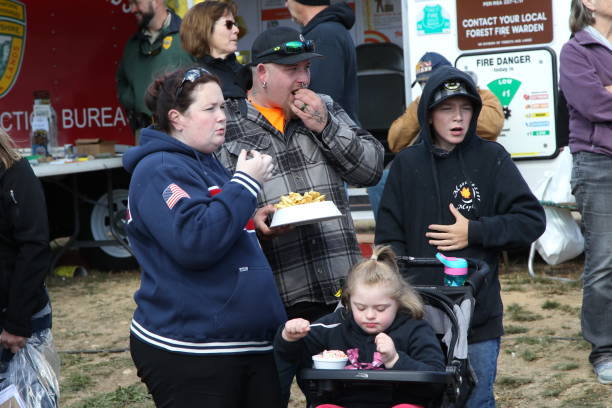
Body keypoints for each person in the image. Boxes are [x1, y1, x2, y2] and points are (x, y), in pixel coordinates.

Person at [215, 26, 384, 405]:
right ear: (261, 73)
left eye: (306, 68)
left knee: (340, 399)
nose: (303, 78)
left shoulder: (323, 107)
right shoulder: (228, 123)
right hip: (271, 298)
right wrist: (252, 220)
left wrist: (324, 125)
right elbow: (215, 206)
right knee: (264, 397)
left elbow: (371, 169)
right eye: (292, 69)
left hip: (337, 290)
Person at [375, 67, 546, 407]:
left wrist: (475, 230)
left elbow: (531, 221)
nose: (457, 118)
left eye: (465, 108)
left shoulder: (492, 158)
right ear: (428, 115)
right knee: (422, 398)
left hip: (478, 314)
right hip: (418, 316)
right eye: (446, 109)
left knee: (476, 399)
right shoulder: (405, 166)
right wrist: (401, 299)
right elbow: (388, 240)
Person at [122, 67, 287, 407]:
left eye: (223, 107)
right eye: (209, 109)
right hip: (193, 350)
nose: (222, 117)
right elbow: (195, 240)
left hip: (244, 343)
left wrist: (251, 221)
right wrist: (245, 184)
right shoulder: (159, 169)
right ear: (176, 118)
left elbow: (214, 222)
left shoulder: (206, 161)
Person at [274, 245, 445, 408]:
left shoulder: (414, 330)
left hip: (398, 402)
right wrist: (289, 337)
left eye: (381, 308)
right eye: (360, 307)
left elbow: (436, 380)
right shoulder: (333, 327)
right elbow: (291, 356)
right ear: (348, 302)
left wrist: (395, 360)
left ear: (398, 303)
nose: (370, 315)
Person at [559, 0, 612, 385]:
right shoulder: (575, 50)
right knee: (604, 262)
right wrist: (604, 91)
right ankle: (605, 351)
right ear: (589, 3)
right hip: (597, 165)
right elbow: (594, 104)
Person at [0, 128, 57, 406]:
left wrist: (16, 323)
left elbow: (34, 249)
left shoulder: (15, 173)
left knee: (32, 398)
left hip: (19, 321)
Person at [387, 52, 504, 153]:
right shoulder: (418, 104)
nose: (427, 87)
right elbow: (395, 143)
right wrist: (423, 106)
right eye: (422, 84)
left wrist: (466, 100)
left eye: (432, 81)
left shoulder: (483, 96)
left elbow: (492, 127)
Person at [117, 0, 194, 136]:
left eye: (136, 2)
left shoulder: (189, 36)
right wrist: (138, 103)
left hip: (184, 134)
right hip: (145, 135)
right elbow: (123, 84)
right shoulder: (132, 46)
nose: (132, 9)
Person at [285, 0, 358, 121]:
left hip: (330, 135)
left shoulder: (325, 34)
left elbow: (321, 100)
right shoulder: (327, 30)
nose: (286, 5)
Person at [180, 1, 252, 100]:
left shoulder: (245, 71)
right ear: (205, 29)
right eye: (229, 24)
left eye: (235, 24)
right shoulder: (196, 79)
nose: (237, 30)